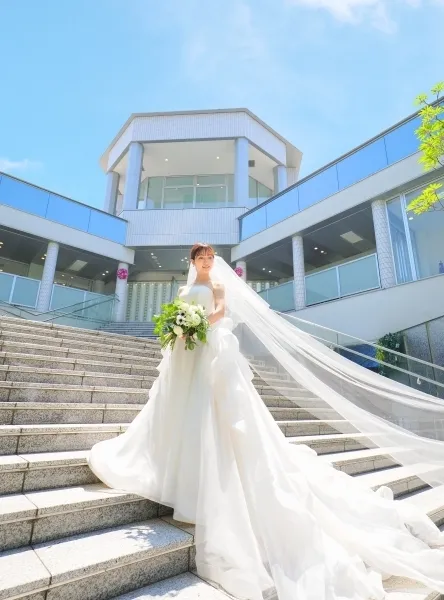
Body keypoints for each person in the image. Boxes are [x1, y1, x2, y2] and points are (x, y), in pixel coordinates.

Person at [89, 242, 444, 600]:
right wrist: (177, 328)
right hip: (185, 353)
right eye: (202, 258)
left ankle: (203, 483)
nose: (207, 262)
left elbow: (220, 313)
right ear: (192, 261)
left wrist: (195, 326)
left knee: (212, 410)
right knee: (179, 408)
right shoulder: (183, 289)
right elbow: (177, 314)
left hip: (208, 347)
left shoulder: (218, 285)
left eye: (210, 257)